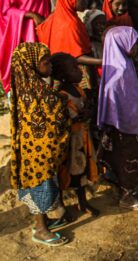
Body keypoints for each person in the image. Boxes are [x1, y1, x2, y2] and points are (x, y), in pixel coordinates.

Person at [10, 43, 70, 247]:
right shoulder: (34, 92)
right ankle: (41, 229)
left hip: (36, 151)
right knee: (41, 187)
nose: (50, 66)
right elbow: (50, 116)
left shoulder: (29, 87)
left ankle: (43, 224)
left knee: (44, 185)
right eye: (46, 63)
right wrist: (60, 100)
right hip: (37, 153)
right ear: (31, 66)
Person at [97, 26, 138, 210]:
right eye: (132, 43)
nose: (135, 47)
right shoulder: (118, 76)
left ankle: (126, 191)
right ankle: (127, 196)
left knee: (126, 160)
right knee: (127, 160)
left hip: (129, 125)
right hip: (125, 128)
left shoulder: (125, 66)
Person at [50, 52, 99, 216]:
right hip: (70, 143)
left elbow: (86, 107)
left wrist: (88, 111)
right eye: (75, 68)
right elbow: (64, 118)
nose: (80, 71)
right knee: (67, 171)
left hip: (82, 139)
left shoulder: (78, 89)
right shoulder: (62, 95)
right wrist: (81, 115)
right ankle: (62, 205)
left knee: (82, 171)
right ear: (63, 75)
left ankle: (83, 202)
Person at [36, 0, 102, 74]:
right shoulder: (70, 23)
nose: (87, 1)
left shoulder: (56, 17)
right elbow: (76, 56)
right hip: (74, 71)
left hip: (58, 69)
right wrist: (103, 61)